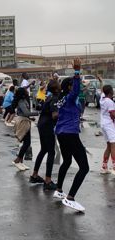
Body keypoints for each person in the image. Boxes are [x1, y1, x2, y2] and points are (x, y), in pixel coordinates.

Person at [53, 58, 89, 212]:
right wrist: (76, 71)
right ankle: (70, 197)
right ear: (69, 86)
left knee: (67, 161)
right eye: (75, 84)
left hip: (61, 133)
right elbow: (75, 90)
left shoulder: (62, 99)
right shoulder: (70, 97)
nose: (79, 86)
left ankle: (59, 190)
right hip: (69, 134)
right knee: (84, 167)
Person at [30, 80, 61, 190]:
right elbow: (54, 115)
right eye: (58, 84)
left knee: (43, 150)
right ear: (57, 89)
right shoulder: (54, 98)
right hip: (47, 126)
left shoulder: (50, 96)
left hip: (42, 124)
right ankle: (48, 181)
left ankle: (34, 175)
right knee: (51, 152)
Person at [12, 87, 38, 171]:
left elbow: (26, 112)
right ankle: (18, 159)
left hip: (26, 120)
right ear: (23, 93)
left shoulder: (24, 100)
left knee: (26, 142)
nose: (27, 91)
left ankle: (20, 161)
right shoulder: (21, 101)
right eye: (26, 91)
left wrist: (30, 118)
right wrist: (37, 113)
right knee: (27, 142)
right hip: (23, 122)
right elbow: (26, 112)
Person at [98, 75, 115, 175]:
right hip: (109, 125)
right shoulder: (110, 102)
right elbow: (113, 114)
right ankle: (114, 166)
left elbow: (102, 90)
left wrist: (101, 82)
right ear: (111, 93)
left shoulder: (102, 98)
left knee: (109, 146)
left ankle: (104, 167)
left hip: (103, 124)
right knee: (113, 145)